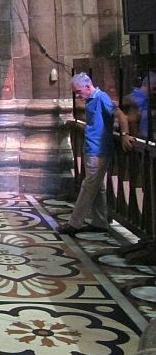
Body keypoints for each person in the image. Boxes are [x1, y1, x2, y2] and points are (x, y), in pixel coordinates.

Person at [56, 73, 133, 236]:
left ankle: (74, 224)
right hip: (92, 148)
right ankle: (99, 222)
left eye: (78, 91)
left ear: (87, 86)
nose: (78, 96)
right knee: (98, 188)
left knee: (88, 187)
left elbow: (121, 116)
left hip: (99, 150)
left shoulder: (101, 98)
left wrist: (125, 134)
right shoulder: (92, 99)